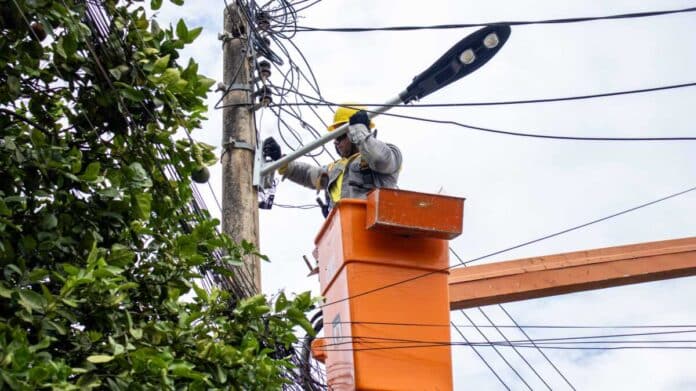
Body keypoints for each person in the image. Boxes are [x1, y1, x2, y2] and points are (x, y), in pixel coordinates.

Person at [262, 105, 402, 216]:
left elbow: (379, 159)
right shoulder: (335, 168)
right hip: (342, 237)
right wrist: (282, 161)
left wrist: (359, 130)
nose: (335, 142)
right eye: (334, 137)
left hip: (372, 234)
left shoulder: (389, 153)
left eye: (340, 136)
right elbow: (308, 174)